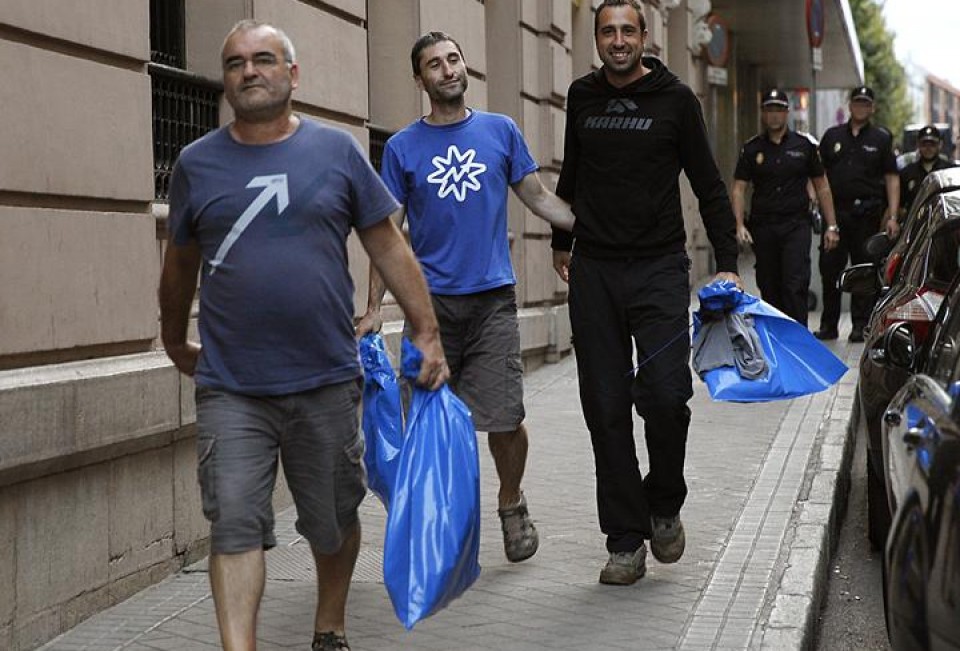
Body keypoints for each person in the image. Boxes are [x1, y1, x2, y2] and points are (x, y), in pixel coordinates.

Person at [158, 20, 448, 651]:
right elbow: (178, 263)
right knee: (233, 523)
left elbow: (388, 244)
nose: (249, 72)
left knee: (333, 520)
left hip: (324, 379)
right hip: (232, 386)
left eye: (264, 60)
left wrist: (425, 330)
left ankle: (330, 625)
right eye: (235, 63)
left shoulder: (336, 152)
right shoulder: (196, 164)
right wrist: (174, 338)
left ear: (293, 75)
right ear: (226, 79)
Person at [355, 31, 575, 565]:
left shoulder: (500, 130)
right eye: (435, 64)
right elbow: (388, 233)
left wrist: (594, 229)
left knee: (505, 419)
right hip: (427, 312)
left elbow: (539, 197)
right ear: (420, 79)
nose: (448, 69)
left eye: (453, 59)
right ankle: (441, 527)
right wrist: (372, 309)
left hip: (492, 303)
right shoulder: (404, 147)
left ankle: (510, 499)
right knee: (427, 426)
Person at [550, 0, 741, 586]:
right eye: (606, 31)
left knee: (664, 398)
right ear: (598, 40)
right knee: (603, 409)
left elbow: (708, 185)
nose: (616, 40)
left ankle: (663, 501)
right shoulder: (582, 97)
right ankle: (625, 541)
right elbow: (572, 174)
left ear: (645, 37)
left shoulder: (677, 100)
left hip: (659, 268)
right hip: (596, 272)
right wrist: (562, 242)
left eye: (626, 30)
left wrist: (728, 264)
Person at [732, 89, 840, 326]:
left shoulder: (804, 146)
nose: (774, 116)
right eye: (769, 110)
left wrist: (831, 225)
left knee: (795, 284)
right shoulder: (752, 149)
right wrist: (739, 225)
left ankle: (797, 340)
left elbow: (822, 187)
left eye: (779, 110)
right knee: (769, 286)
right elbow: (739, 188)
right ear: (763, 114)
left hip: (795, 225)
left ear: (787, 113)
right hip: (764, 227)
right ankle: (774, 342)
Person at [816, 86, 900, 342]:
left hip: (867, 215)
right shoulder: (832, 136)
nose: (861, 107)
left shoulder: (881, 138)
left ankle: (859, 325)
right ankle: (829, 325)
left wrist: (893, 215)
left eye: (866, 104)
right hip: (837, 214)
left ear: (872, 108)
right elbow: (818, 176)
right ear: (850, 105)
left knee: (864, 272)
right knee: (830, 270)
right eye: (857, 103)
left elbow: (892, 178)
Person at [899, 124, 956, 218]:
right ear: (918, 145)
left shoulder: (949, 171)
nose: (928, 148)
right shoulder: (907, 173)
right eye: (924, 144)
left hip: (944, 224)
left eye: (932, 144)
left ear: (940, 145)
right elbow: (900, 205)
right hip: (915, 225)